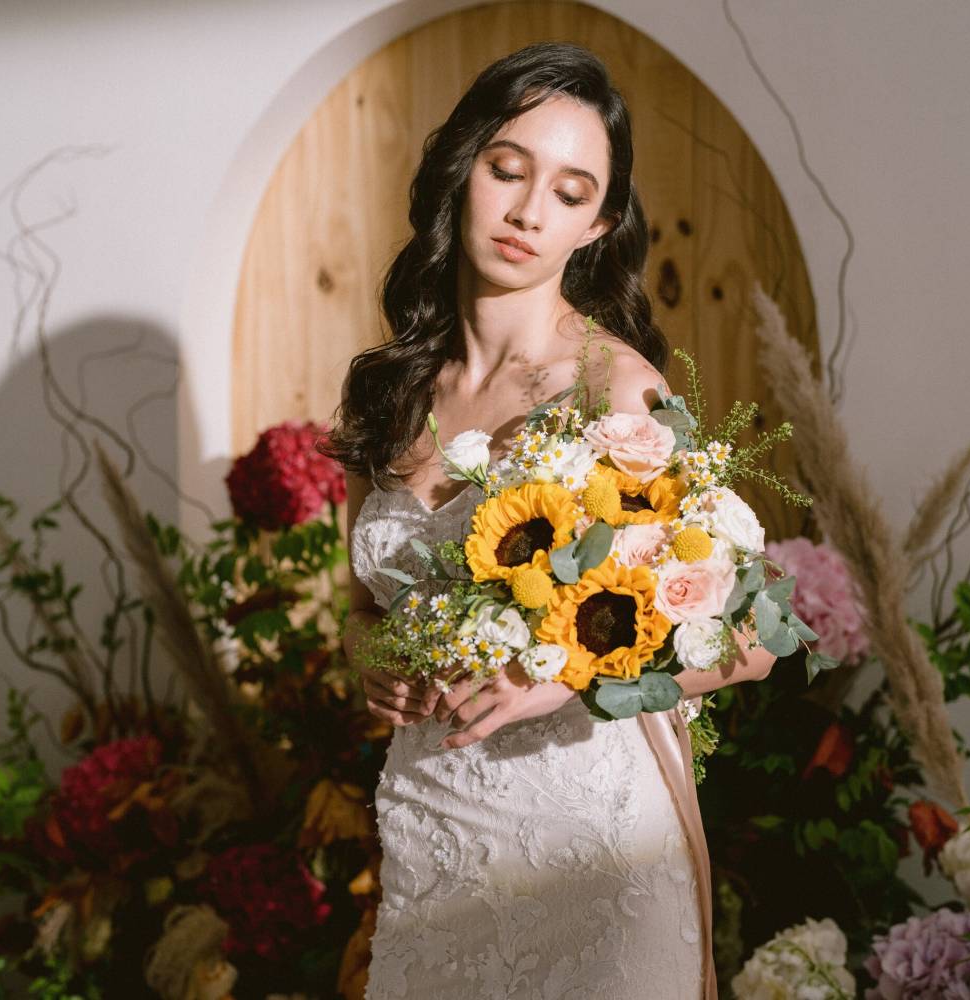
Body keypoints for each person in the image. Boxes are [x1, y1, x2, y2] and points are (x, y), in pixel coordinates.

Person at [320, 41, 775, 1000]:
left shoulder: (615, 393)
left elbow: (744, 640)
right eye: (508, 171)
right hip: (436, 837)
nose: (530, 213)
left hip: (592, 851)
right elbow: (363, 613)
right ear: (462, 167)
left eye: (570, 193)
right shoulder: (390, 391)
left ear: (599, 225)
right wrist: (373, 663)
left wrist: (562, 676)